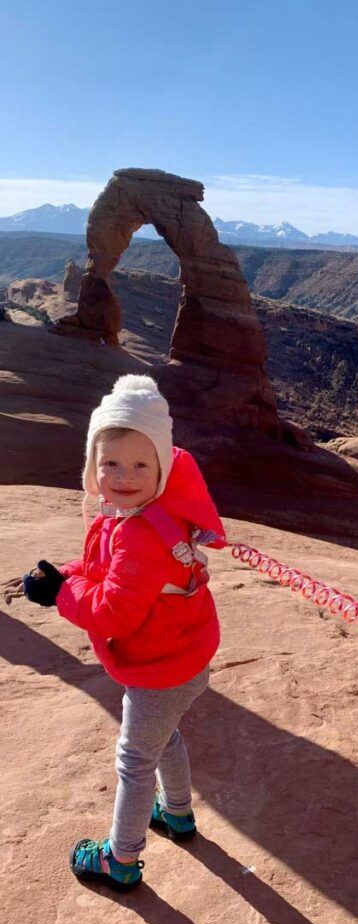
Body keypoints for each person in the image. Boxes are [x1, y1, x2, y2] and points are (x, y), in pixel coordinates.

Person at [20, 374, 227, 892]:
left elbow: (113, 612)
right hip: (184, 657)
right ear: (94, 463)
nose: (123, 475)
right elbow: (111, 570)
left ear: (162, 465)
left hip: (161, 668)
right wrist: (69, 573)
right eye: (110, 462)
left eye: (140, 464)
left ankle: (122, 858)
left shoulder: (140, 534)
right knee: (165, 735)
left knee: (135, 759)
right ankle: (177, 814)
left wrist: (59, 596)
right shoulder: (145, 514)